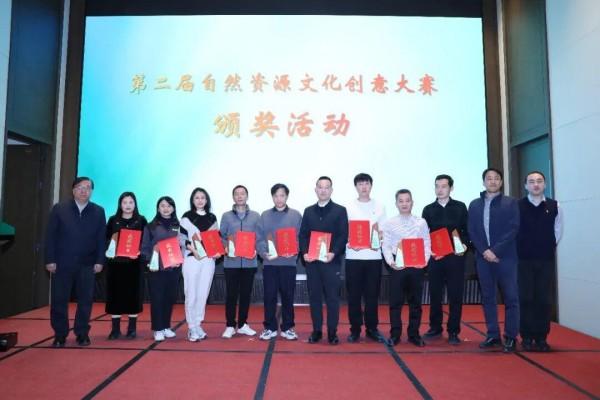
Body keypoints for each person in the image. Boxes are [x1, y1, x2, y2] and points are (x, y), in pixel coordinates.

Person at [45, 177, 106, 347]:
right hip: (62, 263)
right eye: (80, 187)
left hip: (88, 263)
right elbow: (50, 236)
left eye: (87, 187)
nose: (83, 190)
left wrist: (100, 261)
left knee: (85, 300)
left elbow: (101, 239)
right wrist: (50, 259)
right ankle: (60, 334)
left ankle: (82, 333)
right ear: (73, 190)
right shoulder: (60, 209)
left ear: (91, 191)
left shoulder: (98, 211)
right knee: (59, 299)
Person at [468, 168, 520, 353]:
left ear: (501, 182)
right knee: (488, 297)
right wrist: (485, 251)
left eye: (496, 178)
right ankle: (493, 335)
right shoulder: (474, 204)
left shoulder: (511, 203)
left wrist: (495, 250)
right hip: (483, 258)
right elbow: (472, 231)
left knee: (511, 298)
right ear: (483, 182)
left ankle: (511, 336)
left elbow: (513, 229)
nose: (492, 181)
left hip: (506, 257)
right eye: (489, 178)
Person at [299, 176, 348, 345]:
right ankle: (317, 331)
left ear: (331, 190)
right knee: (314, 298)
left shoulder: (340, 210)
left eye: (327, 187)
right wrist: (304, 252)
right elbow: (303, 235)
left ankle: (332, 332)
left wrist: (334, 252)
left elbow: (343, 235)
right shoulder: (308, 211)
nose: (323, 190)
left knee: (332, 299)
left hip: (331, 262)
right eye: (320, 187)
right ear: (316, 190)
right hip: (312, 263)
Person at [517, 171, 562, 352]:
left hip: (545, 260)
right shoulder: (518, 206)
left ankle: (542, 337)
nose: (535, 185)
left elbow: (558, 231)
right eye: (531, 182)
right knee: (526, 298)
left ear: (545, 184)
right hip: (523, 260)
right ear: (526, 186)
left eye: (539, 181)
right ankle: (526, 337)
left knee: (544, 299)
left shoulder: (554, 205)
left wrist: (546, 246)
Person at [422, 175, 469, 345]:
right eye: (437, 186)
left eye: (444, 186)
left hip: (455, 257)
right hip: (436, 257)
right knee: (435, 294)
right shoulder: (428, 209)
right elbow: (424, 234)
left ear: (451, 188)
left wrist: (464, 246)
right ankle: (435, 327)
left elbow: (466, 230)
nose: (440, 189)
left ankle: (453, 330)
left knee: (455, 295)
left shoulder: (460, 207)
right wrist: (430, 251)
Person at [382, 189, 431, 347]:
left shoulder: (421, 222)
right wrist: (391, 262)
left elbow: (426, 243)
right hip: (398, 266)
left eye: (407, 200)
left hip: (416, 266)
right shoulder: (389, 223)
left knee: (415, 303)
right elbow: (386, 245)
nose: (404, 204)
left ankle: (414, 334)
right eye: (401, 201)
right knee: (395, 303)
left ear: (412, 203)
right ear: (396, 204)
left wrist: (424, 261)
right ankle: (395, 334)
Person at [256, 183, 302, 341]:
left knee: (288, 297)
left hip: (288, 263)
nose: (279, 199)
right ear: (272, 197)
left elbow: (300, 238)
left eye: (282, 195)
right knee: (269, 297)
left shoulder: (296, 215)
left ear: (287, 196)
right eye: (276, 195)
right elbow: (259, 238)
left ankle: (287, 327)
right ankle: (270, 327)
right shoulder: (264, 215)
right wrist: (264, 253)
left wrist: (294, 250)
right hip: (270, 263)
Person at [345, 173, 386, 343]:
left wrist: (379, 238)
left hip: (374, 257)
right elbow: (344, 231)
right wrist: (350, 240)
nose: (364, 187)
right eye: (360, 184)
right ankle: (355, 329)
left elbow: (383, 230)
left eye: (366, 183)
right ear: (356, 187)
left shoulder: (380, 206)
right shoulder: (348, 207)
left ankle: (372, 329)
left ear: (371, 186)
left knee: (372, 295)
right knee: (354, 296)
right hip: (353, 257)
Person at [141, 196, 185, 342]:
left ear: (173, 208)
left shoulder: (179, 225)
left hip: (174, 268)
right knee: (157, 299)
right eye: (163, 206)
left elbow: (183, 245)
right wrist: (150, 261)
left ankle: (166, 326)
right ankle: (158, 328)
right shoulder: (151, 226)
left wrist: (181, 257)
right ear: (158, 208)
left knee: (169, 298)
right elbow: (145, 248)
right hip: (157, 269)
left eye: (169, 206)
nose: (166, 209)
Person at [105, 192, 147, 340]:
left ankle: (132, 328)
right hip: (115, 265)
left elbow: (146, 240)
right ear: (120, 204)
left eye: (130, 202)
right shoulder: (113, 220)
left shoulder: (141, 220)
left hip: (134, 265)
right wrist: (111, 248)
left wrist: (139, 251)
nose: (128, 205)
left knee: (133, 296)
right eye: (124, 202)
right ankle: (115, 329)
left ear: (135, 204)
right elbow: (106, 239)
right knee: (115, 295)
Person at [220, 185, 260, 339]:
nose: (240, 196)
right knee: (231, 295)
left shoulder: (256, 216)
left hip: (249, 263)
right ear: (233, 197)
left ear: (247, 196)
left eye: (242, 193)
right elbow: (221, 236)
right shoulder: (226, 216)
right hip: (231, 262)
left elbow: (259, 237)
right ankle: (230, 325)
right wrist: (226, 246)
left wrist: (256, 249)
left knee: (245, 295)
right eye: (236, 194)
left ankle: (243, 324)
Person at [180, 188, 220, 342]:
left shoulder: (212, 218)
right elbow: (181, 238)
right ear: (193, 200)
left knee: (203, 293)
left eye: (203, 197)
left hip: (208, 261)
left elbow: (215, 239)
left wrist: (217, 252)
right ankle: (191, 327)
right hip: (192, 259)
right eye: (197, 197)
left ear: (206, 200)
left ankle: (198, 324)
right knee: (191, 293)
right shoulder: (186, 217)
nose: (200, 200)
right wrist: (193, 250)